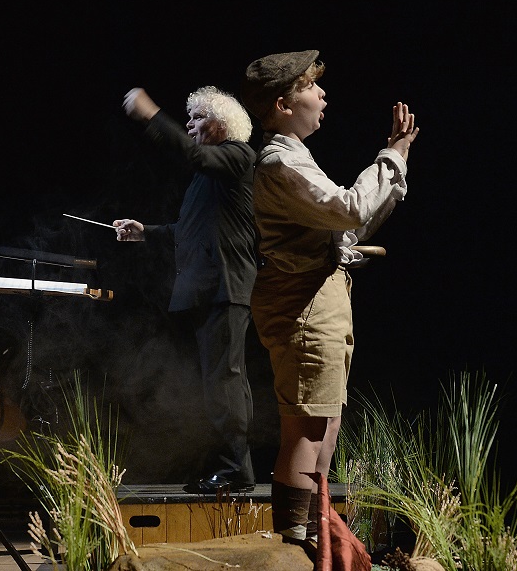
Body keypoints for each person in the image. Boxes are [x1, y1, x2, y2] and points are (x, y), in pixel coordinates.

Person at [240, 50, 419, 551]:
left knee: (325, 422)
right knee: (306, 427)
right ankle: (295, 545)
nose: (323, 95)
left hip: (319, 297)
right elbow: (351, 208)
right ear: (283, 104)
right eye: (311, 87)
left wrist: (394, 164)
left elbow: (349, 224)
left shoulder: (295, 156)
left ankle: (313, 535)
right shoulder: (280, 162)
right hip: (302, 303)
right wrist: (392, 157)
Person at [113, 85, 258, 493]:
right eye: (188, 119)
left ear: (222, 123)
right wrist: (146, 231)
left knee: (224, 382)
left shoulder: (237, 155)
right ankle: (234, 468)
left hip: (224, 286)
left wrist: (152, 114)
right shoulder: (210, 175)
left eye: (197, 118)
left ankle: (235, 471)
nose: (190, 125)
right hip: (211, 288)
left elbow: (192, 153)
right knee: (224, 381)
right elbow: (191, 230)